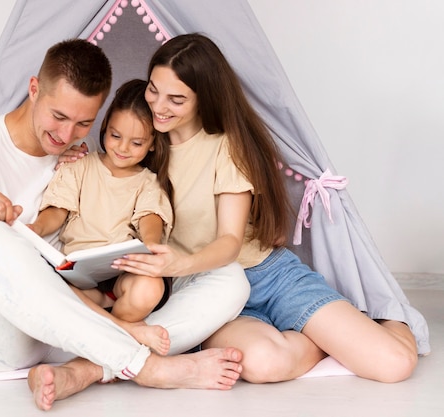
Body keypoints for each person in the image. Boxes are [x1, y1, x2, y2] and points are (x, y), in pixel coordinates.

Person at [0, 38, 246, 412]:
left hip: (70, 330)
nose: (67, 135)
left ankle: (86, 370)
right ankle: (143, 363)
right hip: (1, 339)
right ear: (34, 89)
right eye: (58, 117)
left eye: (84, 122)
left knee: (229, 278)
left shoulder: (80, 154)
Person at [112, 33, 418, 384]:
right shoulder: (143, 141)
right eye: (153, 90)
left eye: (176, 99)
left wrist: (179, 261)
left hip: (268, 274)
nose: (158, 106)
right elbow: (106, 171)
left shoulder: (227, 146)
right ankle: (324, 335)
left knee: (395, 364)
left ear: (203, 98)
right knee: (262, 364)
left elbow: (229, 241)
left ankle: (384, 318)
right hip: (208, 289)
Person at [28, 79, 173, 355]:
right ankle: (124, 327)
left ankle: (104, 319)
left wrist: (151, 244)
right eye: (116, 136)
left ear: (153, 144)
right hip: (79, 273)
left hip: (121, 274)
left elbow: (150, 217)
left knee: (149, 289)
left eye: (137, 142)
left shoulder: (147, 182)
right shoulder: (80, 165)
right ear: (105, 126)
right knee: (44, 286)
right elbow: (58, 210)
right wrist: (35, 228)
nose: (123, 148)